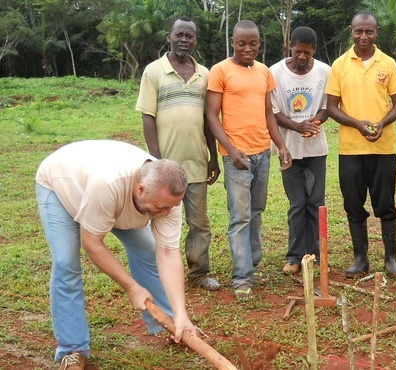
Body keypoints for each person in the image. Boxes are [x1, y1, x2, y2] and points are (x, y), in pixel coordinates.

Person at [35, 140, 195, 370]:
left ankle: (174, 323)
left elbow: (168, 253)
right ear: (140, 189)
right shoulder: (108, 184)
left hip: (111, 198)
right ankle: (72, 349)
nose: (167, 213)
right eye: (162, 207)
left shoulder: (167, 198)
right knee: (66, 263)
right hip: (62, 188)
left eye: (171, 206)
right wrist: (132, 287)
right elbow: (92, 243)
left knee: (148, 250)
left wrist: (182, 312)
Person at [206, 20, 292, 300]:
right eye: (242, 43)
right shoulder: (220, 71)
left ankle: (251, 263)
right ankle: (242, 278)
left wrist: (280, 145)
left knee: (256, 211)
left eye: (253, 43)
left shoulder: (264, 72)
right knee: (240, 216)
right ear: (233, 42)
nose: (247, 48)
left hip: (262, 153)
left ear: (259, 43)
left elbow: (269, 113)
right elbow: (211, 116)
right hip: (236, 158)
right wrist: (230, 150)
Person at [136, 16, 222, 291]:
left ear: (196, 40)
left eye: (190, 36)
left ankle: (198, 273)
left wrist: (213, 156)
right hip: (165, 166)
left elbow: (210, 120)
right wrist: (156, 161)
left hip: (196, 164)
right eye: (179, 35)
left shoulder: (205, 75)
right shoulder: (153, 71)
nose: (184, 40)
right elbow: (148, 118)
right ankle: (157, 274)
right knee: (159, 219)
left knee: (199, 223)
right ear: (169, 37)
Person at [325, 11, 396, 278]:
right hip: (350, 149)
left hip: (383, 148)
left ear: (377, 32)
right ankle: (360, 259)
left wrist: (381, 123)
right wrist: (357, 123)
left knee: (386, 204)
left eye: (369, 31)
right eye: (359, 31)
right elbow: (332, 107)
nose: (363, 36)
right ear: (351, 31)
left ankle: (391, 259)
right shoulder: (339, 65)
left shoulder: (389, 64)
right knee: (353, 204)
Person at [269, 26, 331, 274]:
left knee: (315, 203)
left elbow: (328, 106)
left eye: (307, 52)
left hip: (316, 150)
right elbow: (273, 112)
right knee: (297, 204)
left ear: (314, 50)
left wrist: (314, 123)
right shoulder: (275, 73)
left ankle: (314, 254)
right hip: (288, 151)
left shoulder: (325, 72)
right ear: (290, 47)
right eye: (298, 51)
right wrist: (296, 126)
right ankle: (295, 257)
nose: (302, 57)